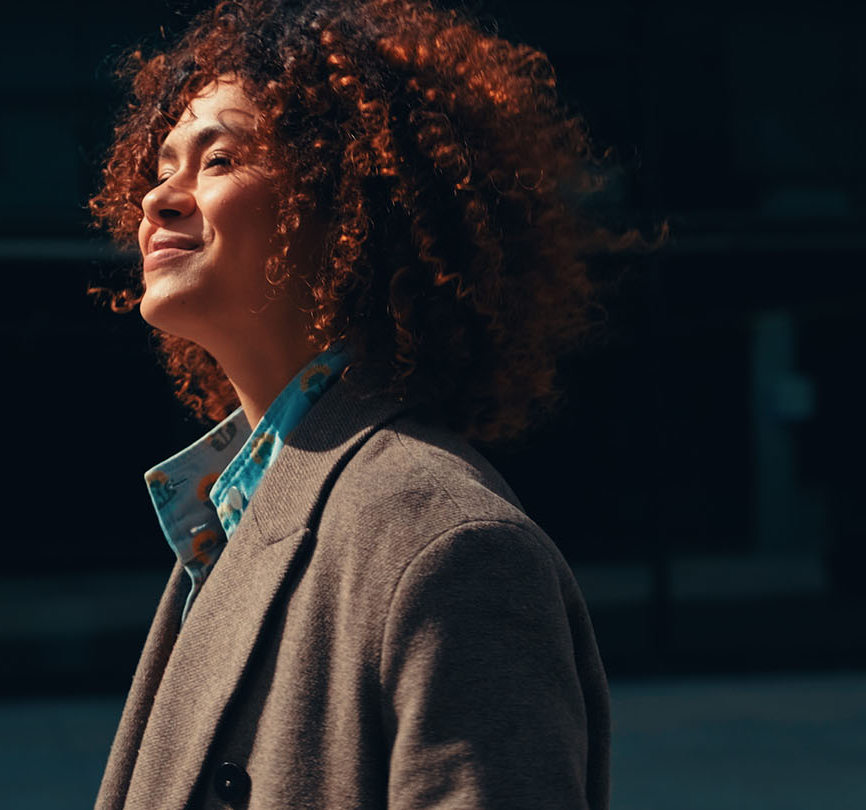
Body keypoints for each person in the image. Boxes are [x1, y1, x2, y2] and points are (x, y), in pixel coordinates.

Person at [87, 1, 649, 807]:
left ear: (348, 199)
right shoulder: (229, 514)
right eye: (163, 163)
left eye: (217, 161)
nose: (158, 199)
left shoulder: (449, 542)